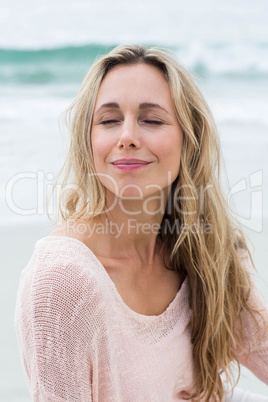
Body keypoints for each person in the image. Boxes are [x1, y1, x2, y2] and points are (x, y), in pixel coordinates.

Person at [15, 45, 268, 401]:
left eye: (151, 120)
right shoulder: (62, 283)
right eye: (108, 120)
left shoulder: (204, 248)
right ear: (88, 142)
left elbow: (261, 348)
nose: (127, 136)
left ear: (189, 139)